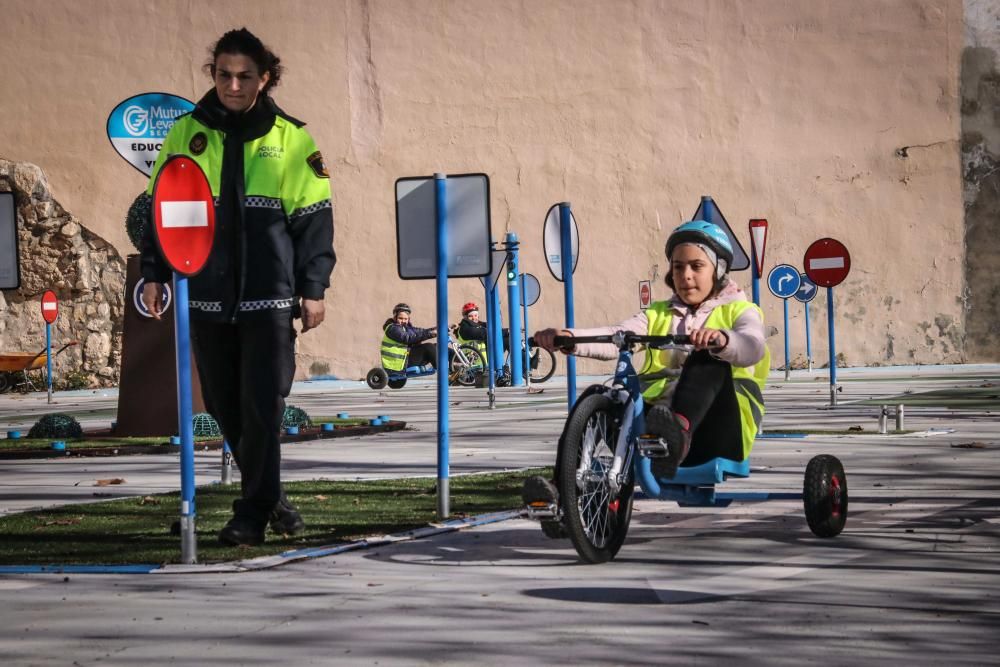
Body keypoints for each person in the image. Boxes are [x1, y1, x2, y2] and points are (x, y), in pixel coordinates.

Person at [140, 28, 336, 546]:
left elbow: (314, 221)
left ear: (264, 78)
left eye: (244, 75)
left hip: (269, 298)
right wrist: (155, 272)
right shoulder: (186, 133)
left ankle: (250, 514)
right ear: (213, 75)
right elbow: (162, 209)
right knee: (226, 408)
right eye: (224, 74)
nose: (233, 84)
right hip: (205, 296)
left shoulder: (292, 139)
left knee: (261, 406)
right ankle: (271, 495)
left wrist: (312, 287)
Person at [523, 220, 769, 512]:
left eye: (696, 266)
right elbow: (617, 335)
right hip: (653, 435)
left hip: (718, 432)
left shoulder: (742, 310)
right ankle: (561, 493)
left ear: (719, 270)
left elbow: (753, 345)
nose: (685, 276)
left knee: (706, 357)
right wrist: (568, 338)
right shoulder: (658, 313)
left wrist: (722, 340)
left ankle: (677, 434)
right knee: (598, 397)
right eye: (678, 267)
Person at [381, 303, 438, 371]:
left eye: (406, 319)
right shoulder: (392, 328)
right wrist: (431, 334)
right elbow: (407, 338)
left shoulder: (407, 328)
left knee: (437, 347)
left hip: (405, 358)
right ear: (395, 317)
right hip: (398, 362)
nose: (403, 321)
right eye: (400, 318)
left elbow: (422, 331)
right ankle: (443, 372)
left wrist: (443, 328)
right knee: (429, 347)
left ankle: (453, 368)